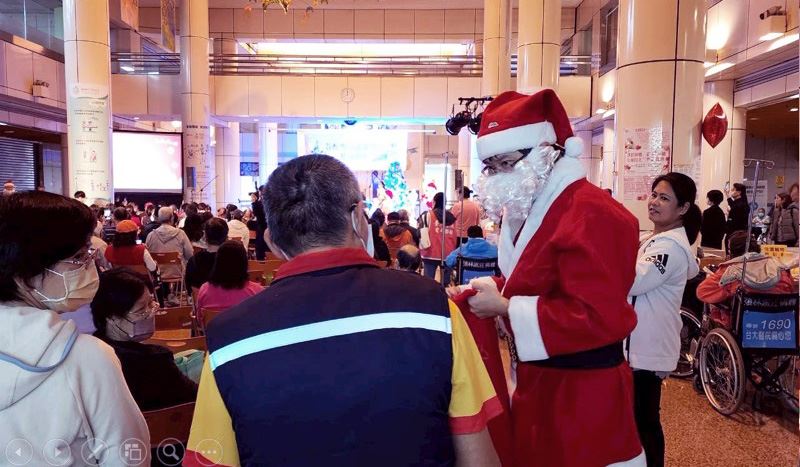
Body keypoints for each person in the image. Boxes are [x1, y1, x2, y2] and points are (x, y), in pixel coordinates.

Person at [185, 154, 501, 467]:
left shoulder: (229, 341)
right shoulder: (435, 311)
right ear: (357, 218)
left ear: (271, 241)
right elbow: (478, 455)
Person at [454, 89, 644, 466]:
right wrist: (494, 289)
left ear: (545, 153)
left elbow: (598, 316)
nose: (497, 176)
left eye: (506, 163)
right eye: (491, 167)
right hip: (538, 384)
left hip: (584, 392)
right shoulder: (527, 210)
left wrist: (505, 306)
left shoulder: (593, 213)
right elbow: (540, 281)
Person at [0, 191, 150, 465]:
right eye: (79, 257)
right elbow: (128, 455)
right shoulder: (86, 358)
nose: (90, 266)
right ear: (25, 274)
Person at [627, 173, 701, 467]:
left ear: (683, 208)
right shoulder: (653, 238)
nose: (654, 202)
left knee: (645, 422)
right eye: (654, 194)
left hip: (648, 348)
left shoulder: (669, 248)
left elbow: (634, 282)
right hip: (639, 345)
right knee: (639, 419)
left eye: (664, 198)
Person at [90, 268, 198, 410]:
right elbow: (195, 397)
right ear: (112, 317)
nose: (150, 313)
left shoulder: (92, 350)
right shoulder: (155, 361)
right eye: (141, 310)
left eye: (151, 303)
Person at [697, 232, 794, 326]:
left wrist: (724, 293)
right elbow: (791, 290)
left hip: (743, 325)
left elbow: (702, 292)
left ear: (732, 252)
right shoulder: (780, 269)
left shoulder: (730, 271)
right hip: (779, 324)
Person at [195, 241, 263, 322]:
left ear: (217, 262)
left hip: (214, 330)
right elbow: (261, 319)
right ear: (244, 263)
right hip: (246, 330)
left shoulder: (204, 290)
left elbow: (200, 320)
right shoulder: (257, 292)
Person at [420, 192, 458, 286]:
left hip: (430, 253)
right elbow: (455, 235)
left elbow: (422, 233)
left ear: (434, 202)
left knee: (428, 283)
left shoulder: (428, 215)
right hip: (448, 253)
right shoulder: (452, 218)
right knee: (445, 284)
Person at [145, 206, 194, 279]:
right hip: (178, 274)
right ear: (172, 218)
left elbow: (147, 257)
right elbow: (190, 255)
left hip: (157, 275)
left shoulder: (151, 236)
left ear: (158, 219)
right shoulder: (181, 234)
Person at [186, 218, 229, 292]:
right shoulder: (233, 259)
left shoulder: (194, 261)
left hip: (202, 298)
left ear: (205, 236)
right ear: (226, 236)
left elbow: (191, 289)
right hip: (229, 298)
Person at [251, 191, 269, 260]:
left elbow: (258, 214)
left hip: (262, 230)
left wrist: (254, 202)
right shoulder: (271, 203)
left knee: (261, 249)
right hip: (268, 230)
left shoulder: (262, 204)